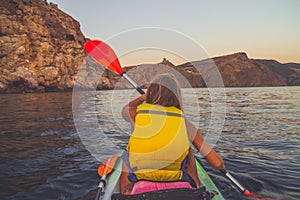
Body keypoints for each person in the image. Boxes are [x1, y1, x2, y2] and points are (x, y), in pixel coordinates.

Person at [120, 74, 225, 195]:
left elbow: (125, 110)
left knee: (128, 152)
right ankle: (195, 187)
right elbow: (217, 163)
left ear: (150, 94)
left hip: (141, 188)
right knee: (188, 150)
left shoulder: (137, 116)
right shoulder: (186, 125)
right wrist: (221, 168)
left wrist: (140, 99)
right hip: (180, 189)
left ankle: (126, 192)